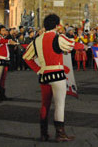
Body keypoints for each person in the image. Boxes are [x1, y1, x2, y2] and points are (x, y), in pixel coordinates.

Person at [23, 14, 76, 142]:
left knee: (45, 104)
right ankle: (60, 134)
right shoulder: (58, 37)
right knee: (59, 104)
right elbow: (71, 45)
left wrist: (38, 70)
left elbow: (26, 57)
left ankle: (43, 133)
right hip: (57, 74)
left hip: (44, 74)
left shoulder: (37, 40)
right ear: (57, 25)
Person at [0, 25, 12, 102]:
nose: (4, 31)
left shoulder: (3, 38)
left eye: (5, 30)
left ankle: (2, 95)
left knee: (3, 78)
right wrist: (9, 41)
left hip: (5, 59)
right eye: (3, 30)